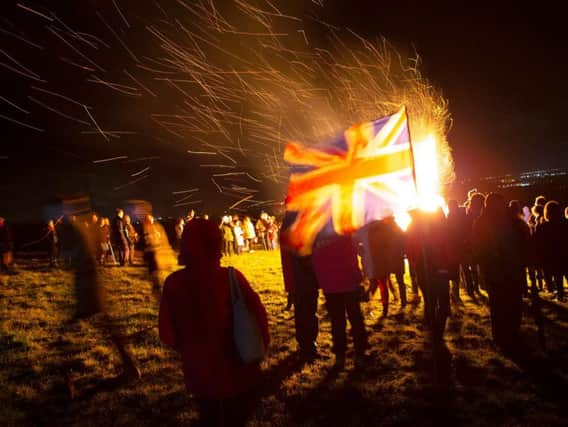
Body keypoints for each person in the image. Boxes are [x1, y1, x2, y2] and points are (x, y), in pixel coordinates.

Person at [159, 218, 269, 426]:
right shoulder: (231, 277)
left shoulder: (174, 284)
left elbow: (167, 333)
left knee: (209, 417)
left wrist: (189, 349)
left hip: (200, 375)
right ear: (216, 243)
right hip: (239, 368)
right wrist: (261, 344)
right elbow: (258, 314)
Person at [473, 193, 525, 352]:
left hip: (512, 269)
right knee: (499, 305)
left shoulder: (512, 221)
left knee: (514, 304)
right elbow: (479, 250)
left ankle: (512, 333)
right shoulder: (482, 224)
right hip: (496, 272)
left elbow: (522, 241)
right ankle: (502, 337)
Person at [312, 233, 368, 368]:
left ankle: (340, 357)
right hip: (347, 279)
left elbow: (312, 256)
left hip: (331, 282)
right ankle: (359, 354)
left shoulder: (315, 228)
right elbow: (359, 247)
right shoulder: (343, 224)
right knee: (354, 318)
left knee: (338, 321)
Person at [535, 201, 568, 301]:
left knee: (558, 277)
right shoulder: (565, 224)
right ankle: (560, 295)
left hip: (553, 256)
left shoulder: (542, 227)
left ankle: (560, 295)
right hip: (565, 254)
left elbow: (538, 244)